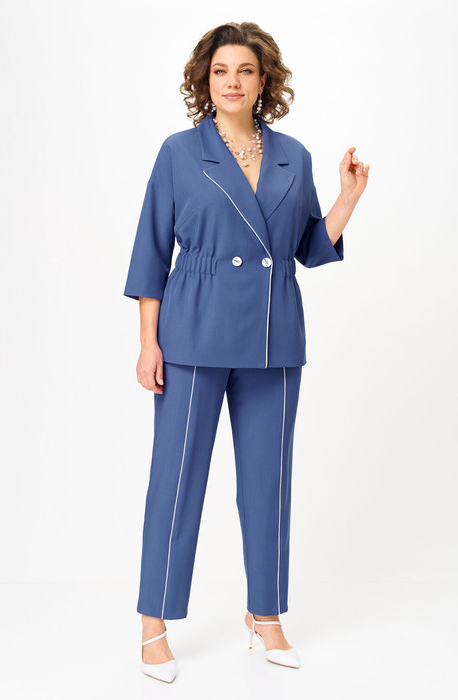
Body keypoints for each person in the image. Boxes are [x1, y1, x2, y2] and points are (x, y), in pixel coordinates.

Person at [123, 22, 369, 684]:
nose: (232, 81)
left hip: (272, 337)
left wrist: (347, 198)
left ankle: (265, 614)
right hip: (193, 335)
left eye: (245, 70)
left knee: (268, 485)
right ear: (205, 80)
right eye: (220, 70)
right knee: (176, 482)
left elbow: (307, 248)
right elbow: (151, 252)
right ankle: (153, 621)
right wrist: (148, 342)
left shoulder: (292, 155)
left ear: (265, 81)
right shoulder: (180, 152)